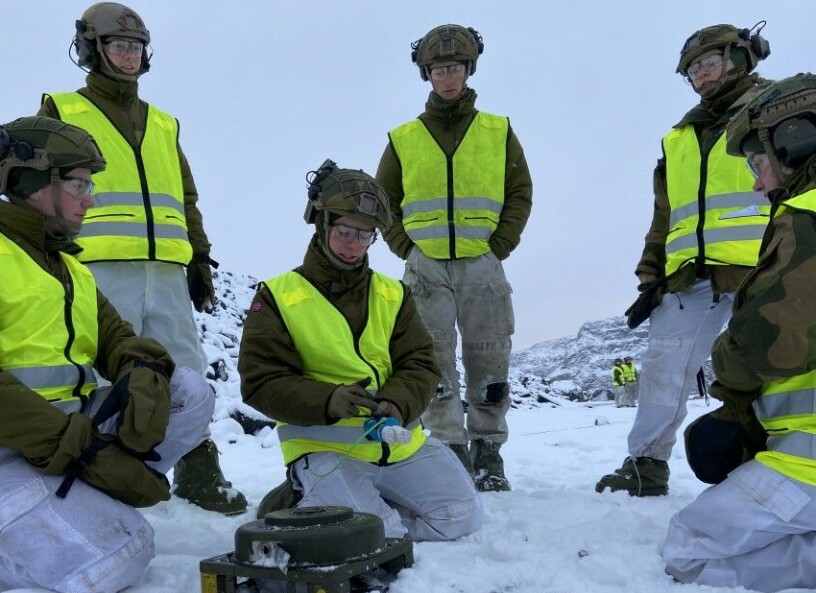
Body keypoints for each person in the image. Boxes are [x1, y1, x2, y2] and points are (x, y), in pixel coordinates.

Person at [0, 117, 215, 593]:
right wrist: (86, 451)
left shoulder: (67, 267)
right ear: (31, 181)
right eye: (79, 183)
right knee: (116, 560)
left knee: (189, 393)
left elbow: (117, 338)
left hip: (59, 443)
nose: (90, 198)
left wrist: (143, 369)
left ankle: (71, 509)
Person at [37, 2, 246, 514]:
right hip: (98, 268)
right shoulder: (64, 111)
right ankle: (103, 473)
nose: (129, 56)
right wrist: (50, 252)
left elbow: (186, 197)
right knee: (109, 374)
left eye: (136, 47)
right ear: (92, 48)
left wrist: (199, 257)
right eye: (118, 45)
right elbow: (41, 186)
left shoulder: (164, 124)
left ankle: (198, 471)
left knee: (187, 371)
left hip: (167, 271)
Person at [238, 161, 482, 541]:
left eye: (365, 235)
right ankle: (302, 495)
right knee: (374, 534)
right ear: (322, 224)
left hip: (397, 444)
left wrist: (399, 402)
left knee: (461, 517)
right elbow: (260, 382)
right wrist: (329, 400)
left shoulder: (394, 294)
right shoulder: (276, 297)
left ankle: (351, 510)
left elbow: (419, 363)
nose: (353, 244)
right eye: (345, 231)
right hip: (326, 452)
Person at [596, 23, 773, 498]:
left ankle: (779, 464)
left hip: (767, 264)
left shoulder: (779, 108)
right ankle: (646, 465)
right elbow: (665, 212)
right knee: (662, 368)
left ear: (740, 57)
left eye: (709, 63)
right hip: (689, 275)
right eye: (693, 70)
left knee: (772, 366)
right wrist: (651, 273)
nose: (701, 75)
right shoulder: (679, 138)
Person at [661, 73, 816, 591]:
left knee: (689, 550)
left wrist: (730, 388)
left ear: (796, 139)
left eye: (758, 162)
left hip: (809, 457)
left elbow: (768, 340)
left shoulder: (806, 217)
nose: (756, 182)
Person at [375, 24, 532, 493]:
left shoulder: (497, 130)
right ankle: (449, 450)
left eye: (456, 67)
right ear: (426, 73)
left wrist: (499, 245)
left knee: (489, 356)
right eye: (439, 68)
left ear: (469, 69)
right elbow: (383, 198)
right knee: (431, 358)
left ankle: (488, 451)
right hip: (426, 266)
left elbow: (519, 191)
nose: (448, 77)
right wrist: (406, 247)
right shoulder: (404, 137)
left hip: (482, 263)